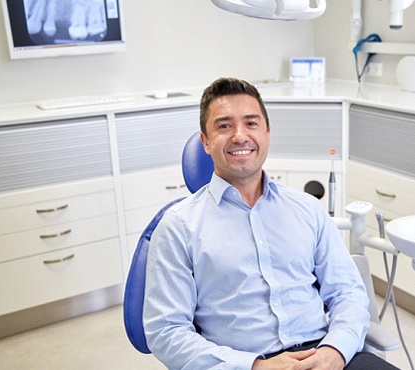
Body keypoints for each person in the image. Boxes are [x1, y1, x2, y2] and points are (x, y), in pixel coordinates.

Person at [143, 77, 399, 370]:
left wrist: (335, 350)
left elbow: (348, 293)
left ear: (267, 133)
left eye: (251, 123)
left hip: (325, 355)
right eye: (224, 126)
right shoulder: (178, 227)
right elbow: (167, 331)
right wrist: (254, 366)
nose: (240, 136)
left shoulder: (306, 209)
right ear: (205, 141)